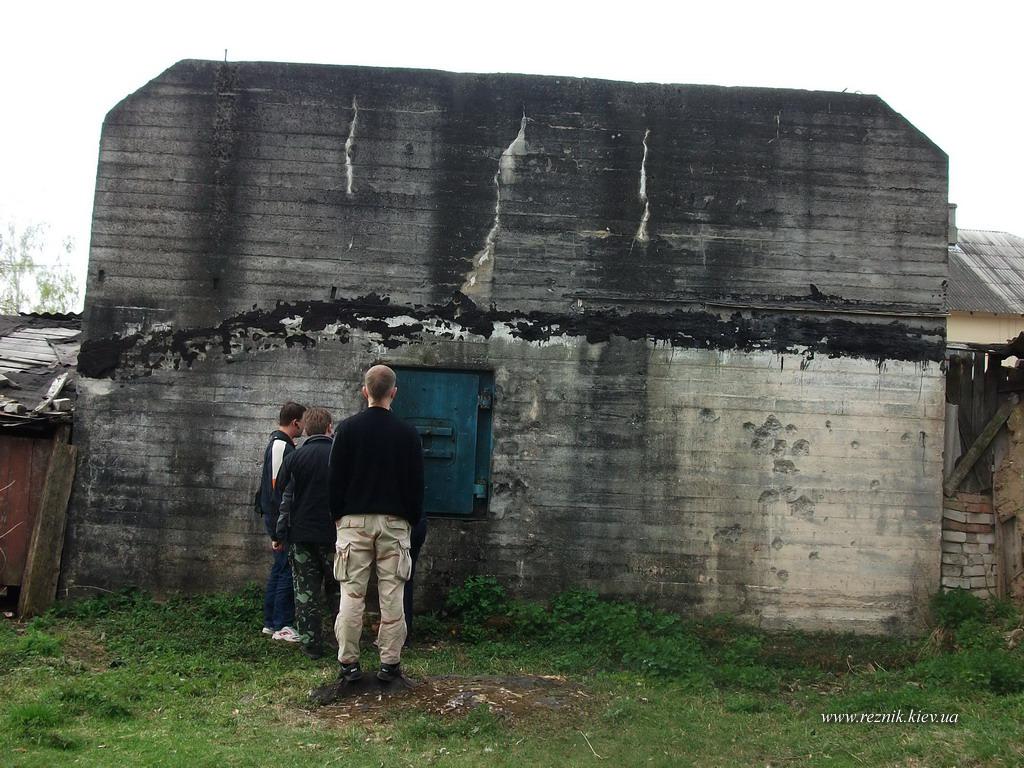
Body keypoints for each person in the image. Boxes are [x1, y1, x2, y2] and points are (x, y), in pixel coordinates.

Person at [329, 365, 424, 683]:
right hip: (395, 523)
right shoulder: (408, 433)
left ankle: (349, 665)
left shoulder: (346, 429)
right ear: (394, 393)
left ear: (364, 391)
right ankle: (389, 665)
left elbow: (334, 479)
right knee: (392, 594)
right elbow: (416, 485)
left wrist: (338, 516)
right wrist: (409, 519)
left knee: (351, 594)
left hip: (353, 521)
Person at [274, 406, 339, 660]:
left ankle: (311, 645)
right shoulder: (339, 456)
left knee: (305, 593)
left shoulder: (294, 458)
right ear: (329, 427)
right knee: (339, 590)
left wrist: (279, 533)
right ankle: (342, 641)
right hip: (334, 536)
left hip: (301, 536)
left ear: (307, 429)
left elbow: (283, 498)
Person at [259, 401, 305, 642]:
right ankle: (282, 624)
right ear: (295, 422)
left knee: (280, 568)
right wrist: (279, 530)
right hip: (280, 519)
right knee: (286, 570)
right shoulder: (280, 446)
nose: (304, 427)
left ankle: (271, 622)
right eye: (302, 422)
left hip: (278, 519)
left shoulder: (282, 444)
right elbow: (277, 489)